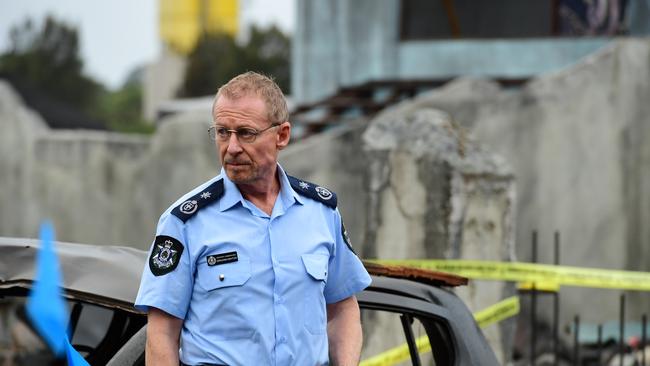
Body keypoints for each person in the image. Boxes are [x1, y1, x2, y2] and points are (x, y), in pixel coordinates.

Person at [135, 71, 372, 366]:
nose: (232, 147)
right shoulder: (184, 221)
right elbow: (161, 333)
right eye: (222, 132)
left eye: (246, 133)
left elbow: (342, 308)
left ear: (282, 135)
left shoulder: (320, 212)